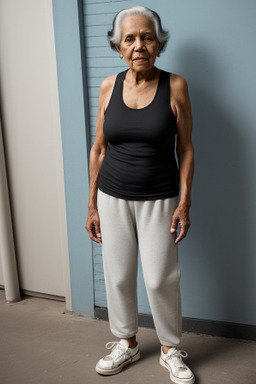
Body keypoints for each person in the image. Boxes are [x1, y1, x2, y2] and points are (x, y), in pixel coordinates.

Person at [85, 5, 195, 384]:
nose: (138, 45)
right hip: (112, 196)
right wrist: (92, 204)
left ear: (158, 45)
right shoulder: (108, 87)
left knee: (160, 278)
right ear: (118, 47)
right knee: (117, 276)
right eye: (129, 38)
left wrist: (184, 201)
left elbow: (186, 149)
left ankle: (169, 349)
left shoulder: (175, 85)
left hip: (160, 199)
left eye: (147, 37)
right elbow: (98, 148)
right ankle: (127, 342)